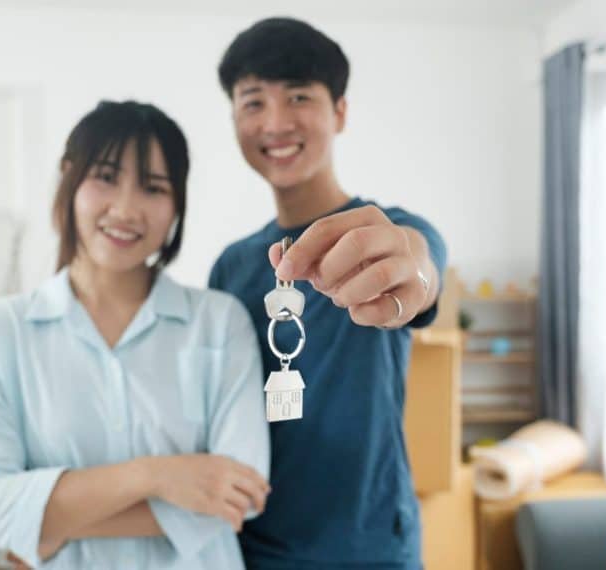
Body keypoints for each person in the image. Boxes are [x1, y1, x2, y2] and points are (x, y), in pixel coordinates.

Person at [0, 100, 270, 569]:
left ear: (177, 204)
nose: (126, 208)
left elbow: (241, 494)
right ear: (67, 179)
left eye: (154, 188)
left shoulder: (220, 323)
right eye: (105, 177)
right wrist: (155, 475)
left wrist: (44, 523)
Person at [211, 18, 447, 569]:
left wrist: (408, 276)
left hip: (371, 548)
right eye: (252, 102)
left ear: (340, 111)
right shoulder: (233, 266)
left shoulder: (390, 232)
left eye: (298, 96)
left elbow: (419, 266)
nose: (275, 122)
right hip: (253, 547)